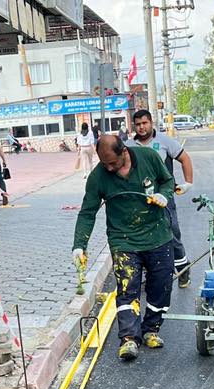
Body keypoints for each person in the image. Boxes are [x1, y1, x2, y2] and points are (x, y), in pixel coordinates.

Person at [72, 133, 176, 361]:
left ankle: (151, 329)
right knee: (128, 288)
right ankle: (129, 338)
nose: (109, 168)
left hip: (157, 235)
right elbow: (87, 212)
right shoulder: (98, 177)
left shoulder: (148, 157)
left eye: (113, 163)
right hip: (123, 240)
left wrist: (164, 195)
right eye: (104, 163)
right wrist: (79, 245)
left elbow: (168, 181)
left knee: (161, 287)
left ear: (124, 152)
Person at [129, 108, 195, 286]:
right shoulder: (128, 146)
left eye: (145, 123)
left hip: (164, 197)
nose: (142, 127)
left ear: (151, 123)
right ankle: (149, 275)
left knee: (172, 233)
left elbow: (185, 159)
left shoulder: (165, 142)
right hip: (140, 200)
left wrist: (187, 182)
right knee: (144, 237)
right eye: (138, 124)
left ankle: (183, 271)